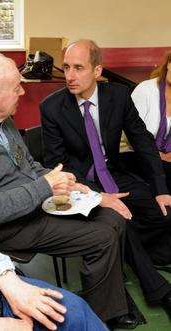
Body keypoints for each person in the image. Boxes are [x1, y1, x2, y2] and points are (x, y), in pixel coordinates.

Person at [0, 52, 134, 329]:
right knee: (104, 235)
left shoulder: (2, 119)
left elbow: (28, 166)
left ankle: (107, 302)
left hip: (33, 208)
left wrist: (58, 178)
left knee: (113, 218)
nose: (23, 91)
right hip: (9, 226)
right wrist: (45, 186)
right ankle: (103, 314)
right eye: (17, 88)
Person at [40, 39, 171, 315]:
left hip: (113, 172)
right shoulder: (52, 107)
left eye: (78, 68)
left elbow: (144, 142)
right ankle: (159, 290)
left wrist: (161, 188)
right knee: (119, 221)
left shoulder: (119, 96)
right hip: (82, 183)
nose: (70, 76)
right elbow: (56, 165)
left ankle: (132, 252)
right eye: (66, 67)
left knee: (162, 214)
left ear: (98, 71)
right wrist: (96, 196)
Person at [0, 185, 106, 331]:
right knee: (103, 237)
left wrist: (8, 281)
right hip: (12, 223)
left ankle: (113, 309)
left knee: (76, 312)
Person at [131, 51, 171, 193]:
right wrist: (156, 154)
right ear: (168, 65)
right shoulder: (145, 90)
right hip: (139, 157)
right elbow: (132, 135)